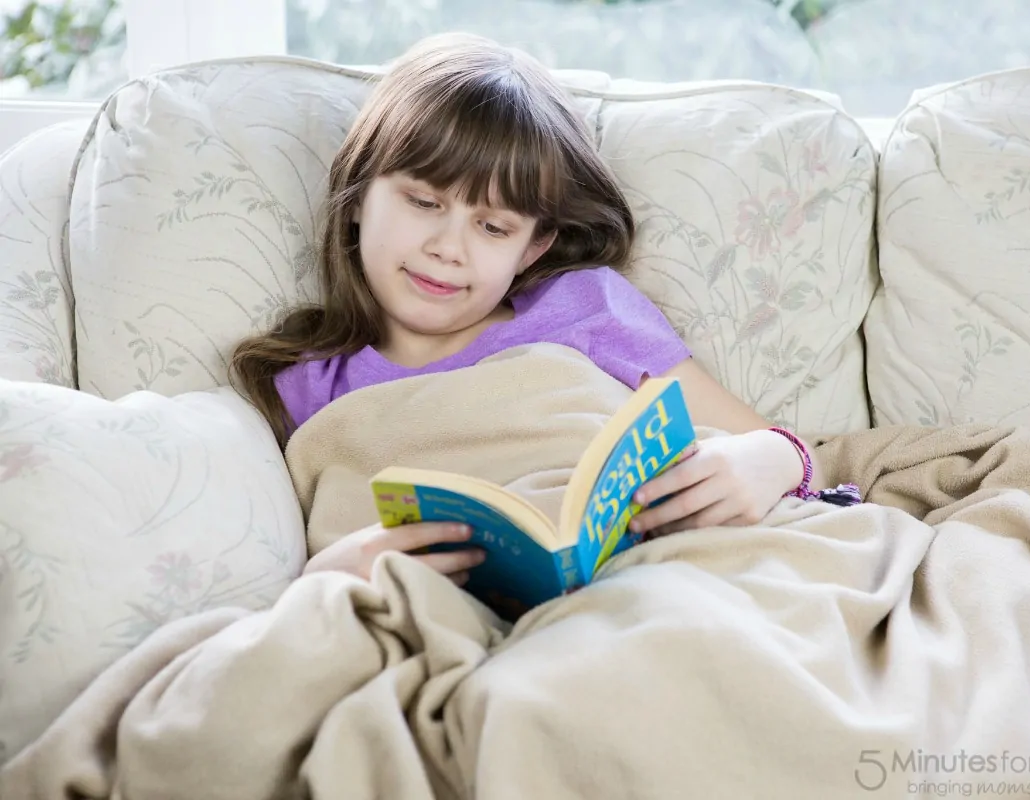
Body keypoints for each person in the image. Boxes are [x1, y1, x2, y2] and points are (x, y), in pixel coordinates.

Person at [230, 32, 845, 587]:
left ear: (534, 247)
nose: (448, 249)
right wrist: (333, 571)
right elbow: (310, 545)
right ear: (360, 194)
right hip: (438, 605)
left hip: (651, 578)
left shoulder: (584, 307)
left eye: (493, 227)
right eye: (422, 202)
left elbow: (772, 445)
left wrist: (773, 458)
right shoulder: (307, 383)